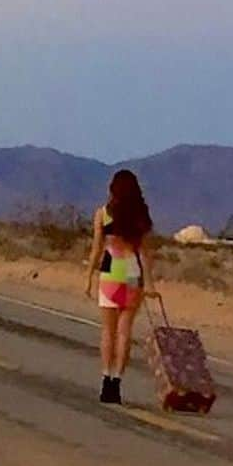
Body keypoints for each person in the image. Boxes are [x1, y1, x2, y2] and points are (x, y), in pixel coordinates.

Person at [85, 169, 159, 403]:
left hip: (109, 273)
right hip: (132, 274)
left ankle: (105, 378)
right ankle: (117, 380)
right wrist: (149, 282)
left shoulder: (103, 214)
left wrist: (88, 276)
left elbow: (97, 249)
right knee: (124, 331)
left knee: (108, 330)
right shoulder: (140, 216)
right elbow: (145, 253)